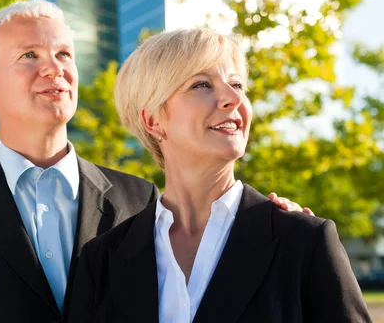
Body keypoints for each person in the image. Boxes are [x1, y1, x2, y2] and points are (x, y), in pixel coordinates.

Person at [0, 1, 310, 323]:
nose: (54, 69)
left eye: (65, 55)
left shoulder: (141, 198)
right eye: (29, 55)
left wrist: (271, 225)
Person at [68, 28, 371, 323]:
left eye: (237, 85)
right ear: (153, 120)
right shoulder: (102, 259)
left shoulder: (304, 240)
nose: (232, 98)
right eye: (202, 85)